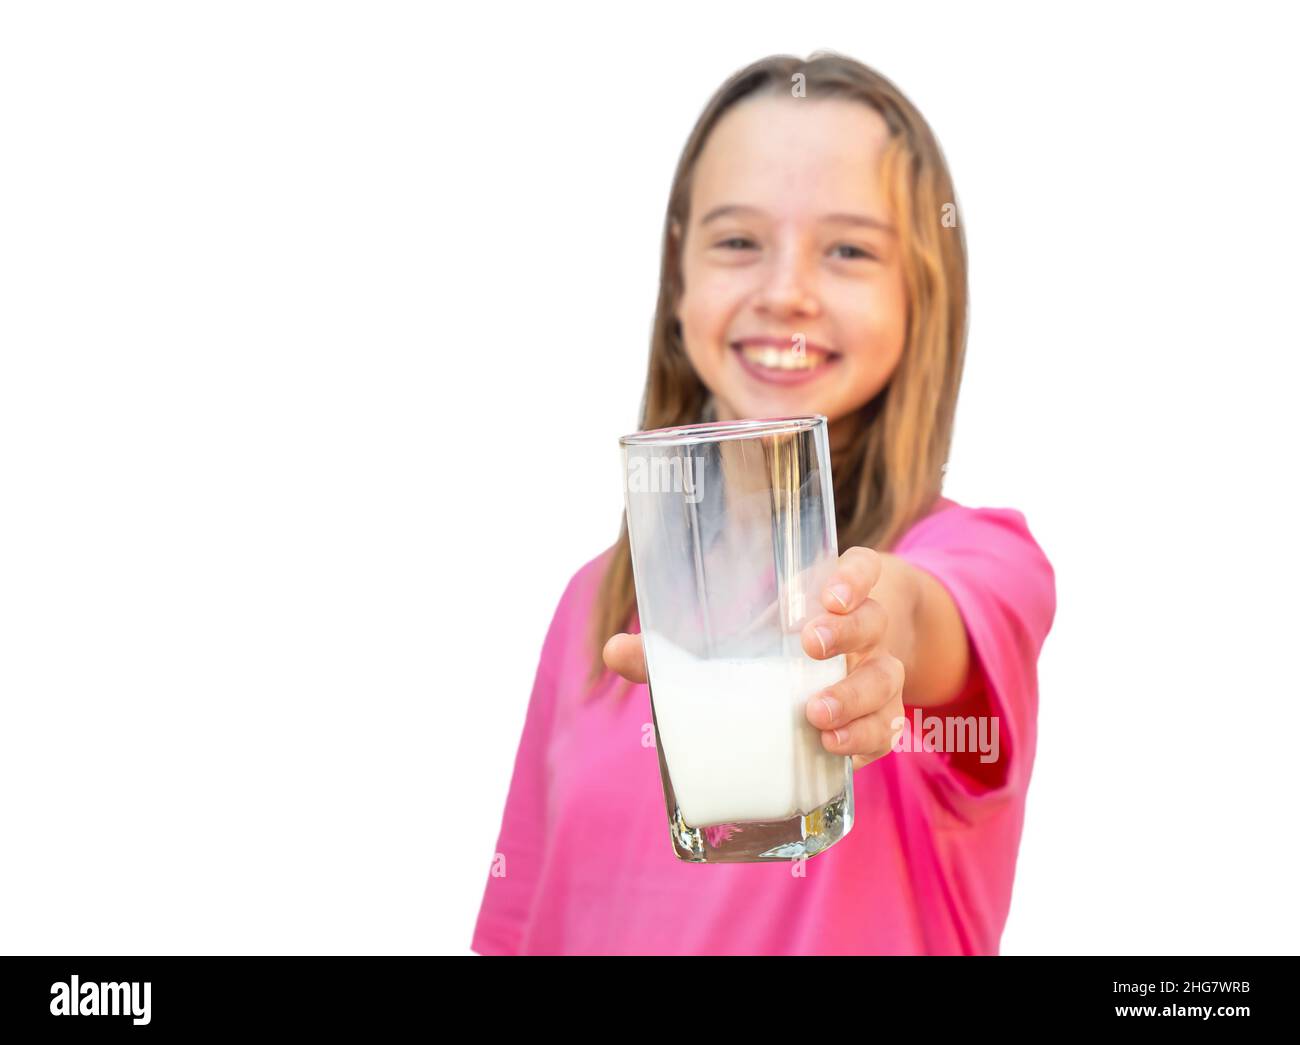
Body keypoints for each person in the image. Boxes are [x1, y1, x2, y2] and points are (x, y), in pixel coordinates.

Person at [471, 51, 1056, 956]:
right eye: (739, 241)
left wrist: (873, 623)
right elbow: (519, 934)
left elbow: (922, 621)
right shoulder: (592, 609)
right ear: (679, 281)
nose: (785, 292)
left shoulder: (983, 560)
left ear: (922, 293)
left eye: (850, 249)